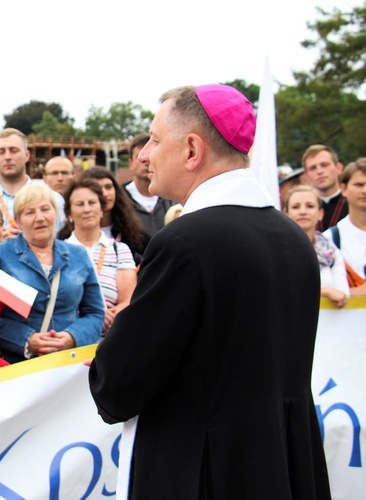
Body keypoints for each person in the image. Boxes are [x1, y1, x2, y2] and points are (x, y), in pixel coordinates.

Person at [88, 84, 330, 499]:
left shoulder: (184, 243)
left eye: (155, 139)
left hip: (205, 473)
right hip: (283, 465)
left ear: (192, 150)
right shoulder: (293, 237)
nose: (144, 154)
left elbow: (117, 387)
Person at [0, 184, 104, 364]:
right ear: (17, 220)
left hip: (69, 363)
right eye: (29, 212)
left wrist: (72, 337)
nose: (39, 218)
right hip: (16, 365)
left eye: (45, 209)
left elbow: (95, 312)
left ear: (56, 214)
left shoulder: (79, 256)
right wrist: (27, 339)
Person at [57, 178, 136, 333]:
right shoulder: (58, 251)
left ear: (102, 209)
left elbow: (128, 300)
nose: (87, 209)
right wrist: (94, 317)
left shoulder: (119, 250)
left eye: (92, 203)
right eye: (80, 204)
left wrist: (105, 317)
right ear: (69, 214)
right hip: (70, 340)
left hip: (110, 339)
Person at [284, 185, 349, 307]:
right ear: (286, 214)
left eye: (310, 206)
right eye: (295, 207)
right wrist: (325, 292)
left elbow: (343, 294)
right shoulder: (277, 251)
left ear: (320, 213)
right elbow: (281, 292)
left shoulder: (332, 252)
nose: (303, 211)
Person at [81, 166, 149, 265]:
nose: (105, 193)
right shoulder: (70, 236)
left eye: (108, 187)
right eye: (97, 188)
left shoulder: (133, 233)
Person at [325, 158, 366, 296]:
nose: (365, 190)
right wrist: (354, 293)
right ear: (343, 189)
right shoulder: (329, 240)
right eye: (359, 185)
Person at [123, 133, 174, 237]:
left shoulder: (172, 197)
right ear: (131, 163)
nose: (146, 161)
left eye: (151, 155)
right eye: (139, 156)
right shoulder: (120, 198)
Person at [302, 144, 348, 231]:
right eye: (313, 168)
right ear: (306, 176)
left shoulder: (353, 204)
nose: (319, 171)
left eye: (324, 165)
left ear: (338, 168)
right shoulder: (303, 209)